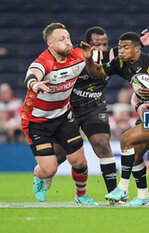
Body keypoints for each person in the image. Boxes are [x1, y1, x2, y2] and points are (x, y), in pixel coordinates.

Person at [44, 27, 149, 197]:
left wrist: (139, 45)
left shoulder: (112, 62)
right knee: (60, 154)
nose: (101, 48)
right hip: (69, 109)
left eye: (105, 45)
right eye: (96, 45)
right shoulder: (75, 56)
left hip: (94, 108)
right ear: (86, 45)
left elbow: (132, 72)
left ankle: (116, 193)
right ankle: (45, 173)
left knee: (104, 144)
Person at [81, 32, 149, 206]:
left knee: (126, 139)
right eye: (120, 47)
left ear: (138, 49)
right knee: (137, 155)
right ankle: (144, 196)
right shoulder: (121, 63)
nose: (121, 51)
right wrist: (88, 60)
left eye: (125, 47)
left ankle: (122, 188)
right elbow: (97, 74)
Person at [20, 22, 97, 205]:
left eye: (68, 37)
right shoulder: (44, 62)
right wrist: (35, 84)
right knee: (50, 169)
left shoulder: (79, 55)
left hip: (63, 115)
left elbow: (107, 55)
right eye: (61, 39)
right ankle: (39, 175)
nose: (67, 42)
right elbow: (31, 74)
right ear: (50, 44)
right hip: (36, 121)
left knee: (79, 162)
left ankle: (81, 195)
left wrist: (137, 44)